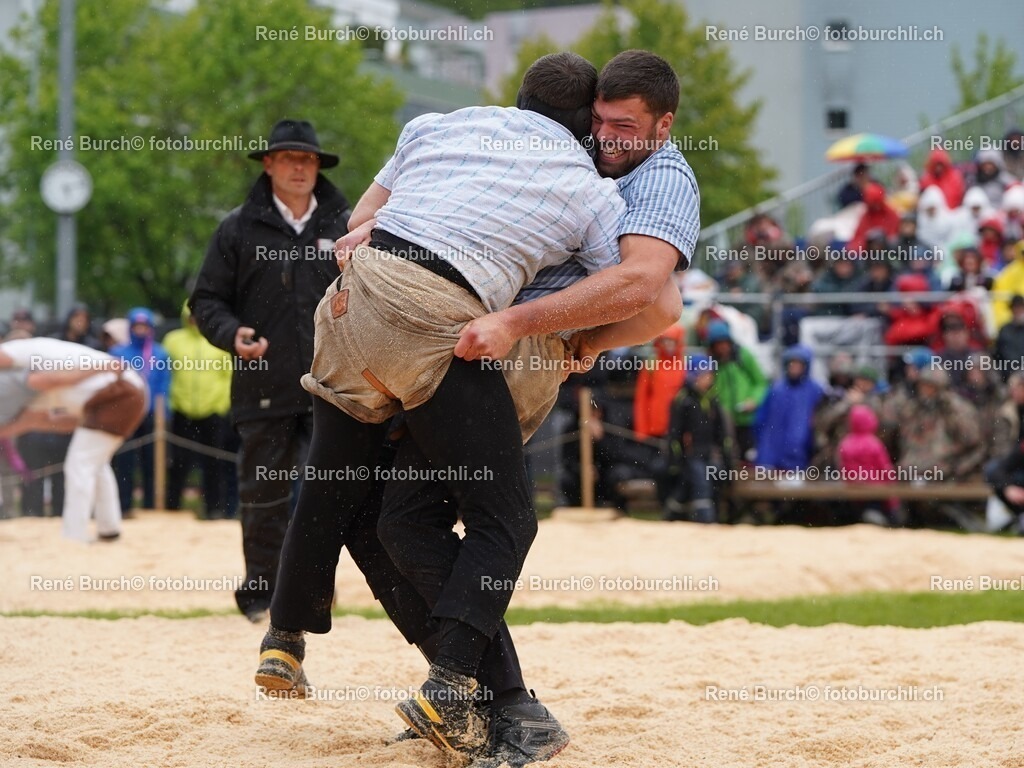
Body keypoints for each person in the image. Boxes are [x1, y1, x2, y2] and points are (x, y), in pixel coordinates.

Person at [260, 51, 696, 768]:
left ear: (663, 124)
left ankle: (319, 641)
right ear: (581, 118)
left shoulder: (648, 175)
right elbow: (651, 299)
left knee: (383, 506)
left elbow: (656, 291)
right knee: (412, 519)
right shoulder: (582, 179)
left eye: (624, 127)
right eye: (601, 124)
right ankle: (473, 693)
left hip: (417, 324)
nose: (609, 139)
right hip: (454, 331)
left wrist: (559, 340)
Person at [189, 119, 351, 622]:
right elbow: (206, 299)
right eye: (290, 158)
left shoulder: (346, 225)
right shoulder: (237, 227)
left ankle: (313, 594)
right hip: (263, 384)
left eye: (309, 160)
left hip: (333, 385)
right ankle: (261, 594)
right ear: (268, 164)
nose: (301, 168)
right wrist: (231, 333)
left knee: (329, 495)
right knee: (263, 493)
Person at [0, 338, 146, 541]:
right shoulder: (24, 381)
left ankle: (74, 535)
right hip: (114, 395)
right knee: (94, 464)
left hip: (119, 391)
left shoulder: (22, 362)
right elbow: (46, 420)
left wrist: (101, 366)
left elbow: (53, 383)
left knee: (80, 465)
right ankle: (109, 528)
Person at [162, 301, 236, 519]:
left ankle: (214, 509)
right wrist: (170, 403)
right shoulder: (172, 340)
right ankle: (172, 507)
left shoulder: (218, 340)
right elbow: (166, 374)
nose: (194, 319)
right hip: (181, 411)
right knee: (177, 463)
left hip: (213, 412)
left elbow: (228, 376)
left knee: (214, 464)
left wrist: (221, 406)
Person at [111, 307, 170, 514]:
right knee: (124, 461)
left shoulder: (160, 353)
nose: (140, 330)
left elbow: (164, 384)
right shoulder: (118, 353)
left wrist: (164, 413)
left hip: (152, 413)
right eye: (136, 325)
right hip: (126, 414)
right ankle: (124, 506)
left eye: (144, 326)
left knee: (151, 462)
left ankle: (150, 505)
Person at [663, 353, 731, 523]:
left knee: (693, 485)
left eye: (709, 375)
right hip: (691, 455)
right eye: (704, 375)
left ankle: (671, 515)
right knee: (702, 485)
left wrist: (726, 454)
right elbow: (674, 434)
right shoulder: (682, 400)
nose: (708, 379)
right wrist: (675, 459)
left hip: (709, 453)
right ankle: (706, 522)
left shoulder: (712, 400)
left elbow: (721, 432)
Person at [754, 345, 824, 471]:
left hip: (799, 454)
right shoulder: (776, 389)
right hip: (771, 452)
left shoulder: (814, 390)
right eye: (792, 364)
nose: (795, 368)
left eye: (799, 364)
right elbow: (761, 418)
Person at [705, 319, 766, 459]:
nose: (722, 347)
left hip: (746, 417)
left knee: (748, 454)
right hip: (724, 418)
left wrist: (754, 400)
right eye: (718, 344)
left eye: (724, 343)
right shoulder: (712, 363)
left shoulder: (743, 356)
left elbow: (760, 382)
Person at [632, 324, 685, 439]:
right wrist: (641, 430)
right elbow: (641, 399)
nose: (668, 346)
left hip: (679, 426)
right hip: (655, 428)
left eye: (672, 341)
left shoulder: (685, 365)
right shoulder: (651, 365)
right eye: (665, 341)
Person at [846, 183, 900, 253]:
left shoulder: (890, 214)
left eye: (877, 202)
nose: (876, 206)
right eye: (873, 203)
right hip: (870, 252)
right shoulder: (866, 217)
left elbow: (894, 234)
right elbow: (858, 238)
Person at [994, 295, 1024, 382]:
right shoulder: (1004, 330)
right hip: (1008, 375)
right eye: (1015, 308)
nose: (1017, 311)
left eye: (1020, 308)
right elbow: (998, 354)